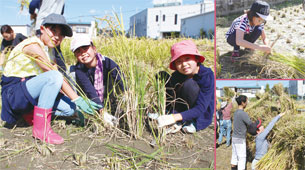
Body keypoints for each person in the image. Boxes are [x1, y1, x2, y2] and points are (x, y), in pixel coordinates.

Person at [1, 13, 101, 145]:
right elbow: (53, 75)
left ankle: (30, 112)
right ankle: (41, 129)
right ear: (42, 29)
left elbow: (59, 80)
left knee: (70, 109)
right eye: (53, 30)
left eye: (61, 34)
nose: (57, 36)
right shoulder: (33, 45)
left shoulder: (49, 51)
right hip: (14, 94)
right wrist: (77, 98)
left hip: (29, 91)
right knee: (54, 76)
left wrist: (76, 103)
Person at [156, 40, 214, 133]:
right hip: (181, 108)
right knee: (162, 75)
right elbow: (172, 96)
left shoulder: (207, 76)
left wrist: (174, 118)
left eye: (187, 58)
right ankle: (172, 115)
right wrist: (171, 114)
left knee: (189, 84)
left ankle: (191, 121)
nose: (184, 64)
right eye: (179, 61)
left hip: (199, 112)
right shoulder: (177, 75)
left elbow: (201, 107)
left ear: (196, 59)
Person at [71, 35, 125, 125]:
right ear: (76, 56)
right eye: (78, 52)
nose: (83, 53)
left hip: (108, 93)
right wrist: (101, 110)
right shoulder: (79, 69)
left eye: (85, 48)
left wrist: (125, 96)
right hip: (91, 97)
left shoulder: (107, 62)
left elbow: (120, 80)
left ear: (94, 49)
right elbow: (89, 89)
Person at [29, 0, 67, 73]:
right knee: (56, 52)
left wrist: (32, 13)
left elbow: (33, 4)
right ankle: (62, 72)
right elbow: (61, 12)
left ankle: (46, 72)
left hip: (44, 24)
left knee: (41, 51)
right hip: (58, 24)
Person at [231, 95, 252, 170]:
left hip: (234, 138)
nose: (247, 103)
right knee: (242, 159)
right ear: (243, 103)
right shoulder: (243, 114)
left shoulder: (236, 112)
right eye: (246, 101)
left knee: (234, 156)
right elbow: (250, 124)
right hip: (240, 139)